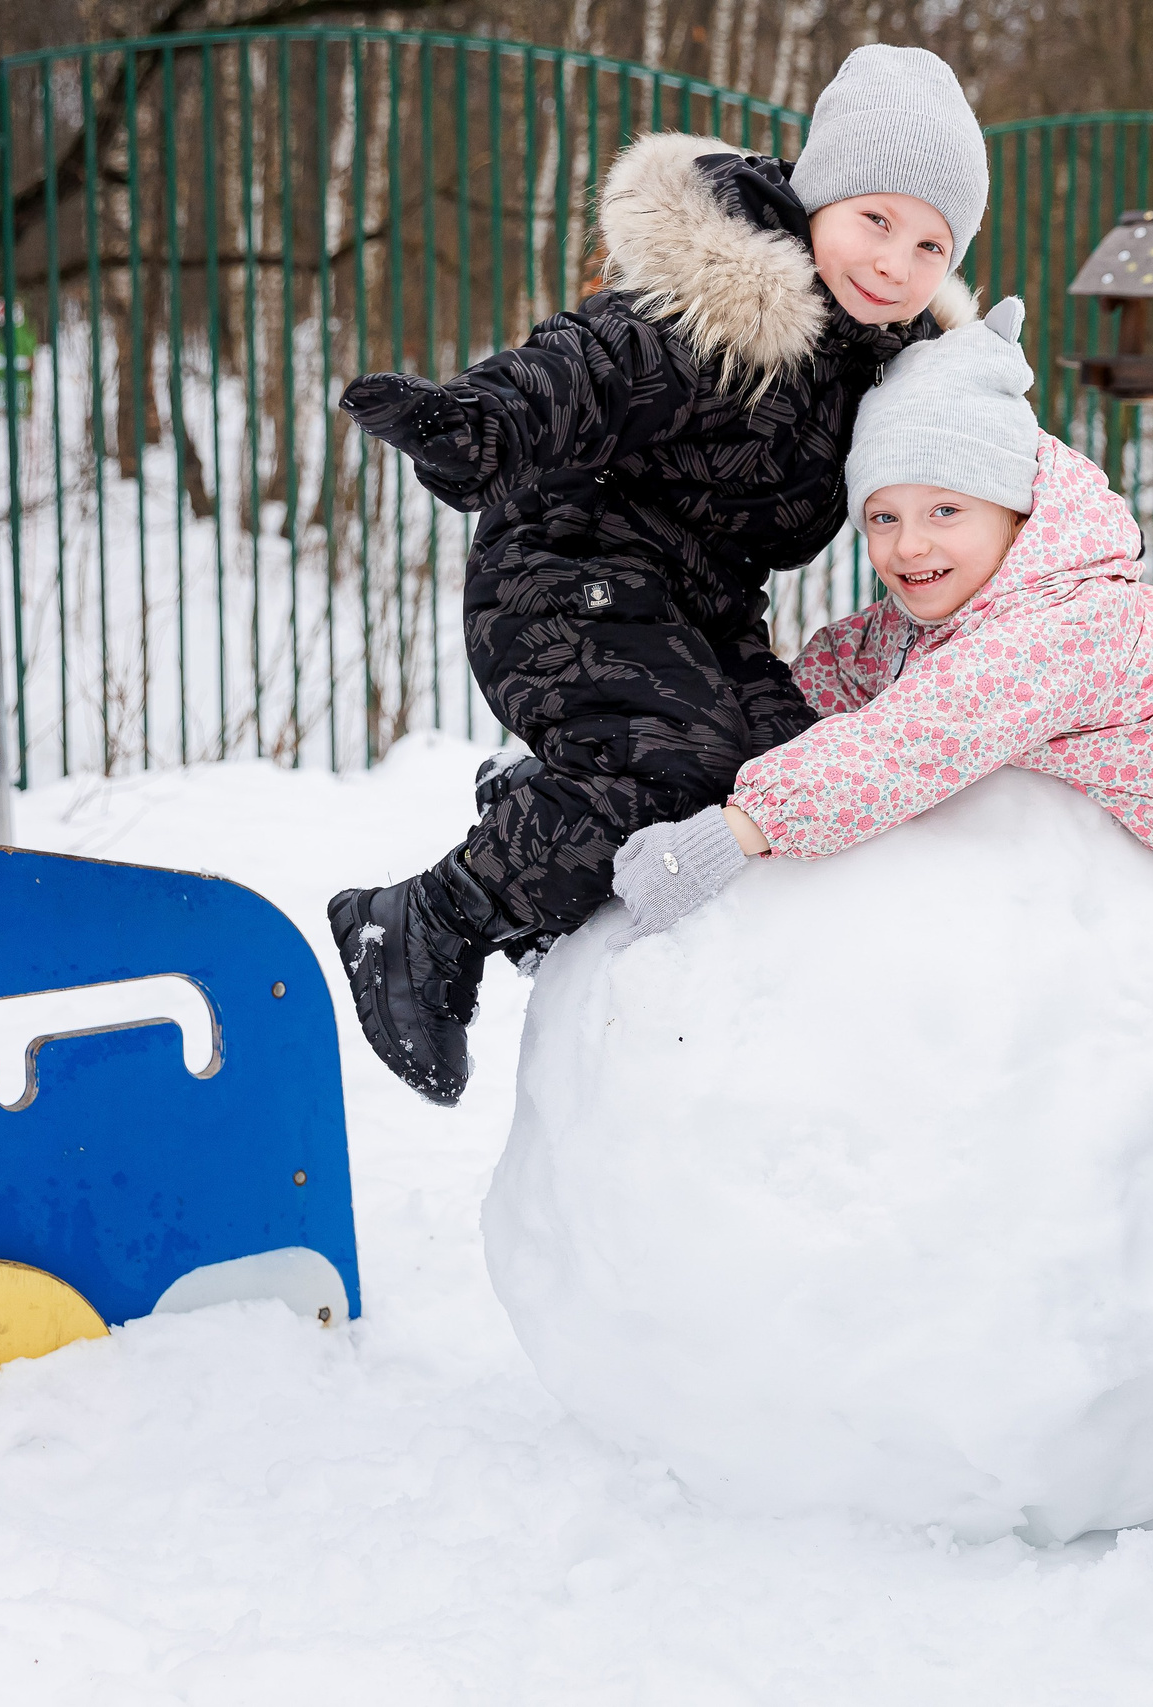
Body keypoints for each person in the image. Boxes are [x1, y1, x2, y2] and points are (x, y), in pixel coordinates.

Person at [602, 297, 1153, 1193]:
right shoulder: (969, 604)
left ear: (1016, 513)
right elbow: (831, 679)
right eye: (884, 518)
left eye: (945, 508)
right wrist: (651, 741)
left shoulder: (1063, 624)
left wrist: (733, 831)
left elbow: (906, 744)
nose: (910, 545)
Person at [326, 44, 989, 1104]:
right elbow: (585, 367)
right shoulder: (727, 298)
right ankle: (421, 923)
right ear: (818, 194)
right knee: (670, 767)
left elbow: (978, 467)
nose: (897, 261)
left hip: (701, 608)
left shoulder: (889, 366)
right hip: (563, 573)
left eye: (930, 242)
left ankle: (547, 810)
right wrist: (480, 425)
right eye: (876, 218)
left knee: (790, 778)